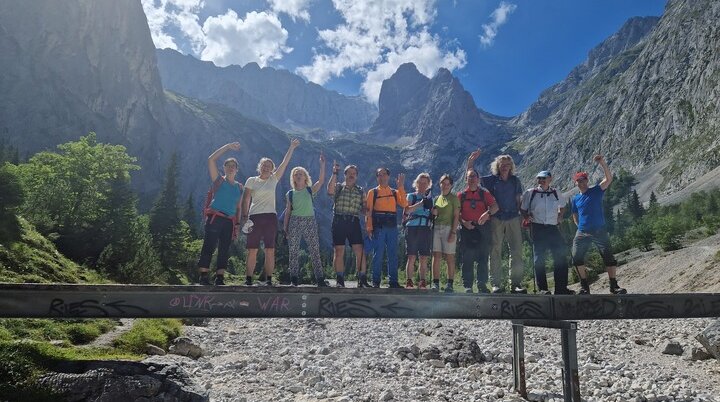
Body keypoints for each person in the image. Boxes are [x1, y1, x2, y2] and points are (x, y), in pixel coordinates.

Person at [241, 139, 300, 286]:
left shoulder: (274, 179)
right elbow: (246, 199)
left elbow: (285, 163)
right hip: (254, 217)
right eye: (264, 165)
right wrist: (244, 217)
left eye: (269, 166)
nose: (266, 167)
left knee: (269, 249)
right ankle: (248, 279)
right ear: (259, 167)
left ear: (272, 169)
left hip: (270, 217)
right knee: (252, 250)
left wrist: (291, 147)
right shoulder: (251, 180)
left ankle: (268, 279)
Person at [571, 155, 627, 295]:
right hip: (582, 231)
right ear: (575, 183)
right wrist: (579, 226)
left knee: (608, 257)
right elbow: (575, 215)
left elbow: (608, 179)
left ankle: (613, 286)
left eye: (583, 180)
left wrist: (602, 163)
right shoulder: (575, 199)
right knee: (576, 257)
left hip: (599, 230)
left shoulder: (596, 190)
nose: (581, 183)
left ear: (587, 181)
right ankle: (584, 287)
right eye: (579, 181)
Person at [475, 153, 526, 294]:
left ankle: (515, 284)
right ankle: (496, 284)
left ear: (511, 166)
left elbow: (518, 199)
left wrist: (523, 216)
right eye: (502, 164)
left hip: (513, 217)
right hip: (496, 218)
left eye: (507, 164)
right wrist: (470, 162)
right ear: (497, 166)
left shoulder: (516, 181)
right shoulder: (490, 180)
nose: (505, 167)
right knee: (495, 251)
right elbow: (473, 178)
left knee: (516, 251)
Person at [520, 170, 575, 295]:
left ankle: (561, 288)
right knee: (539, 259)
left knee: (560, 256)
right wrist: (526, 217)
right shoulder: (530, 193)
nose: (541, 180)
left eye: (544, 178)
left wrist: (560, 216)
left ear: (550, 179)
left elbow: (562, 205)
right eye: (539, 178)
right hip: (537, 227)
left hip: (552, 227)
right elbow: (523, 208)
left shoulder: (556, 193)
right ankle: (543, 289)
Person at [197, 142, 243, 286]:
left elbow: (238, 207)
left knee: (224, 249)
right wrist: (228, 147)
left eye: (233, 166)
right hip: (215, 218)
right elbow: (211, 159)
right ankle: (203, 276)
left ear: (237, 170)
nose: (230, 168)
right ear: (224, 168)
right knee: (209, 246)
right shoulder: (218, 180)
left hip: (229, 221)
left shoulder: (239, 187)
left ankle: (220, 278)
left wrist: (237, 225)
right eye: (227, 165)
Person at [283, 154, 327, 286]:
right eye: (296, 174)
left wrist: (322, 165)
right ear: (293, 178)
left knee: (314, 249)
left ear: (305, 177)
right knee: (293, 250)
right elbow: (288, 211)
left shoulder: (309, 190)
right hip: (294, 221)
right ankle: (294, 279)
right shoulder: (290, 193)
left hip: (310, 221)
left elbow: (321, 181)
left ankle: (320, 279)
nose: (298, 175)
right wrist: (285, 227)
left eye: (301, 173)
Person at [458, 151, 498, 293]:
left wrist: (487, 214)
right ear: (466, 180)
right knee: (467, 258)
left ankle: (481, 284)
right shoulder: (461, 195)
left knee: (482, 257)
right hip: (467, 228)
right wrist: (463, 222)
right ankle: (468, 285)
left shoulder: (484, 193)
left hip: (482, 228)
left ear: (478, 178)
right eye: (469, 177)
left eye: (474, 176)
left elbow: (495, 206)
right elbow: (456, 213)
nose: (472, 179)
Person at [327, 161, 370, 288]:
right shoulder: (339, 187)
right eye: (349, 173)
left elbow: (364, 208)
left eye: (354, 173)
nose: (352, 175)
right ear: (345, 175)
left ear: (356, 176)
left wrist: (367, 212)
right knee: (339, 250)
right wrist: (334, 173)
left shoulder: (361, 191)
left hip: (354, 222)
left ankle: (362, 279)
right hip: (339, 221)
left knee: (360, 251)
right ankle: (340, 279)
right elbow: (329, 190)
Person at [366, 168, 408, 288]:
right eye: (379, 175)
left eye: (384, 174)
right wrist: (369, 228)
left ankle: (393, 281)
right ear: (377, 177)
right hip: (378, 228)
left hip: (392, 228)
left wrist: (400, 186)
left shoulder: (395, 192)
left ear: (388, 177)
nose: (381, 177)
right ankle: (376, 281)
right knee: (377, 255)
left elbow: (404, 204)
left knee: (392, 255)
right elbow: (368, 212)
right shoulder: (372, 192)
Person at [403, 173, 434, 289]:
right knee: (411, 256)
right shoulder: (411, 196)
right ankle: (409, 281)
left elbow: (433, 213)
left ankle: (422, 281)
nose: (422, 185)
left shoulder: (431, 199)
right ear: (416, 183)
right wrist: (421, 204)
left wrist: (434, 212)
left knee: (424, 257)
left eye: (424, 183)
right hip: (412, 228)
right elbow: (407, 210)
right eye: (420, 182)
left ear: (428, 185)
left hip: (425, 228)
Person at [430, 174, 461, 292]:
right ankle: (436, 283)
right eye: (443, 183)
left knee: (449, 257)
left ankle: (450, 284)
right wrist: (434, 213)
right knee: (436, 256)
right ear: (440, 184)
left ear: (451, 185)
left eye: (448, 184)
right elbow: (435, 214)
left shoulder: (454, 198)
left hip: (449, 228)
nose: (445, 186)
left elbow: (456, 216)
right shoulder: (437, 198)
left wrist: (453, 232)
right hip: (437, 228)